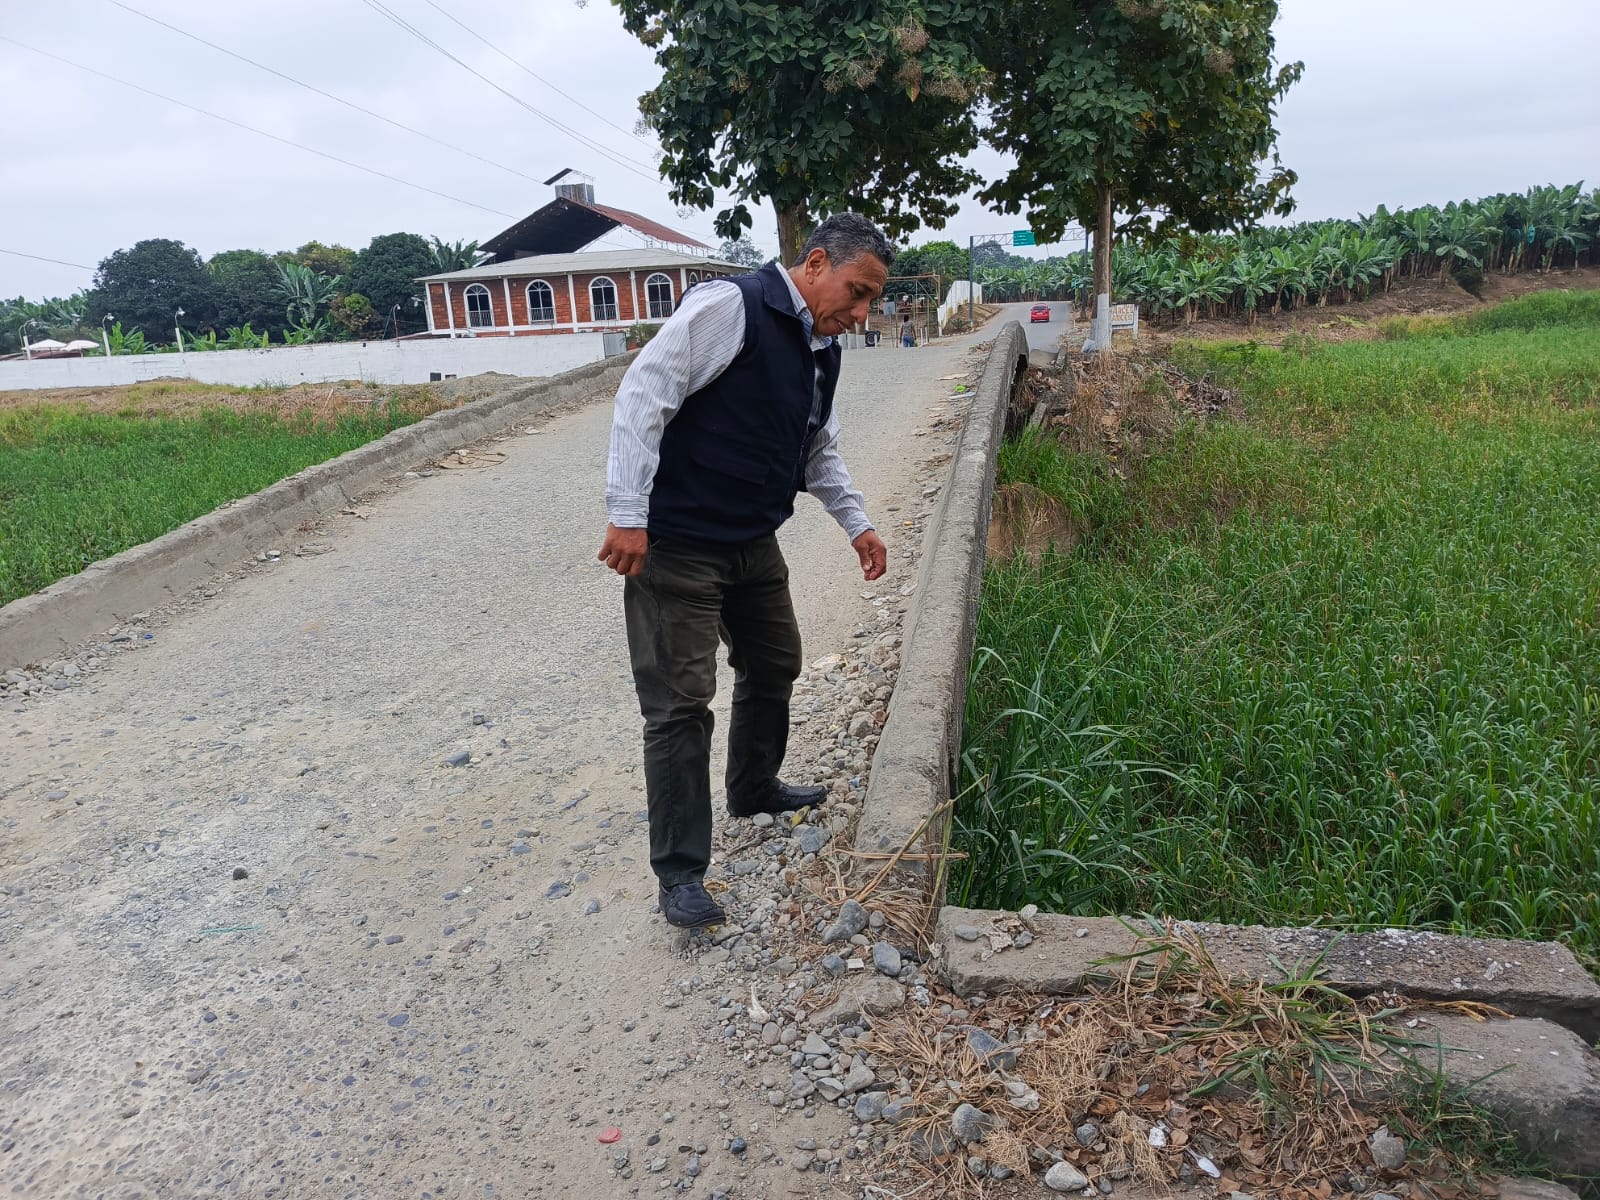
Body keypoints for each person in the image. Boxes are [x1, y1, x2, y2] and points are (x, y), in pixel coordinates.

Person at [597, 213, 892, 929]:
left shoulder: (822, 348)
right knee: (680, 704)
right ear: (815, 263)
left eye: (870, 301)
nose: (860, 315)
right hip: (677, 544)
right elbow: (644, 394)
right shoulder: (731, 308)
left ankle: (753, 786)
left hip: (752, 541)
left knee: (775, 660)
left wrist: (857, 524)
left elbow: (816, 447)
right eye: (856, 293)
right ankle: (680, 873)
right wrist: (627, 512)